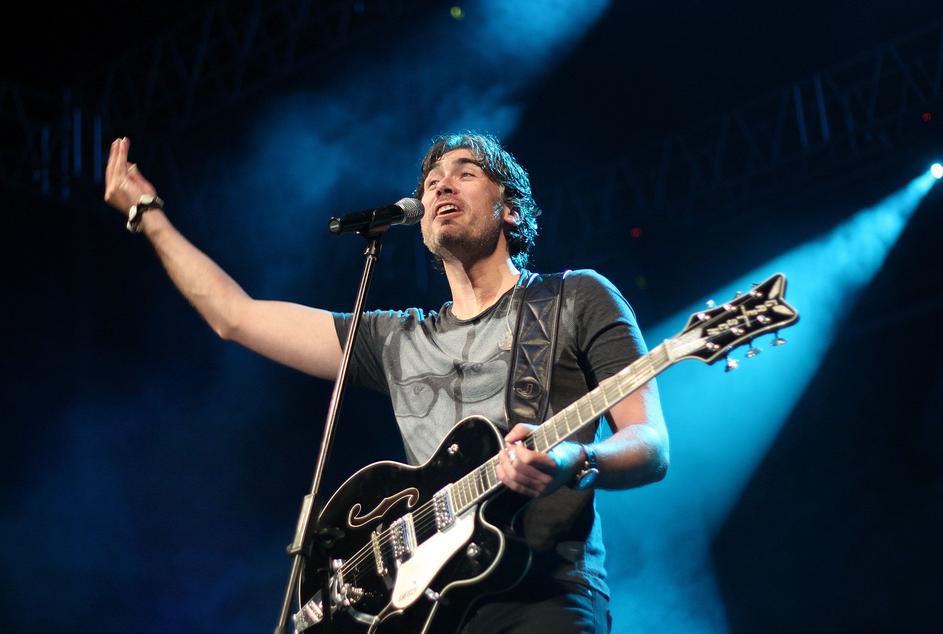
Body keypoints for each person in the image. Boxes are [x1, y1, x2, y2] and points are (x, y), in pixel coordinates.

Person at [104, 132, 668, 633]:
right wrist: (147, 215)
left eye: (466, 173)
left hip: (543, 594)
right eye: (431, 181)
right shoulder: (396, 337)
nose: (441, 185)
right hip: (430, 609)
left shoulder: (576, 298)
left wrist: (574, 459)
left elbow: (649, 444)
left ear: (511, 212)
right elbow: (235, 316)